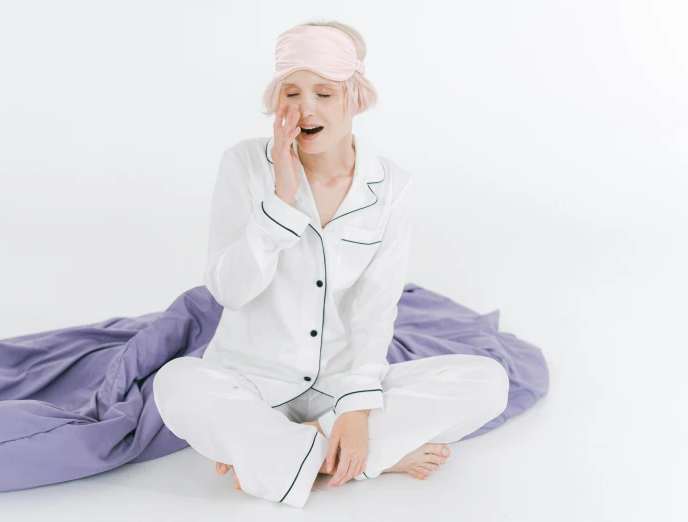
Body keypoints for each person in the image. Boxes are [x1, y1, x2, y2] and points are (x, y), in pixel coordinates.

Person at [152, 20, 510, 509]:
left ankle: (285, 455)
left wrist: (357, 410)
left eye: (324, 92)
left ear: (354, 98)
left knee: (488, 383)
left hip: (338, 390)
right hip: (250, 383)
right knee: (175, 385)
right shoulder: (243, 165)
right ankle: (367, 460)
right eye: (292, 93)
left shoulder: (391, 185)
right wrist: (280, 198)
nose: (306, 109)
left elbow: (376, 306)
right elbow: (229, 290)